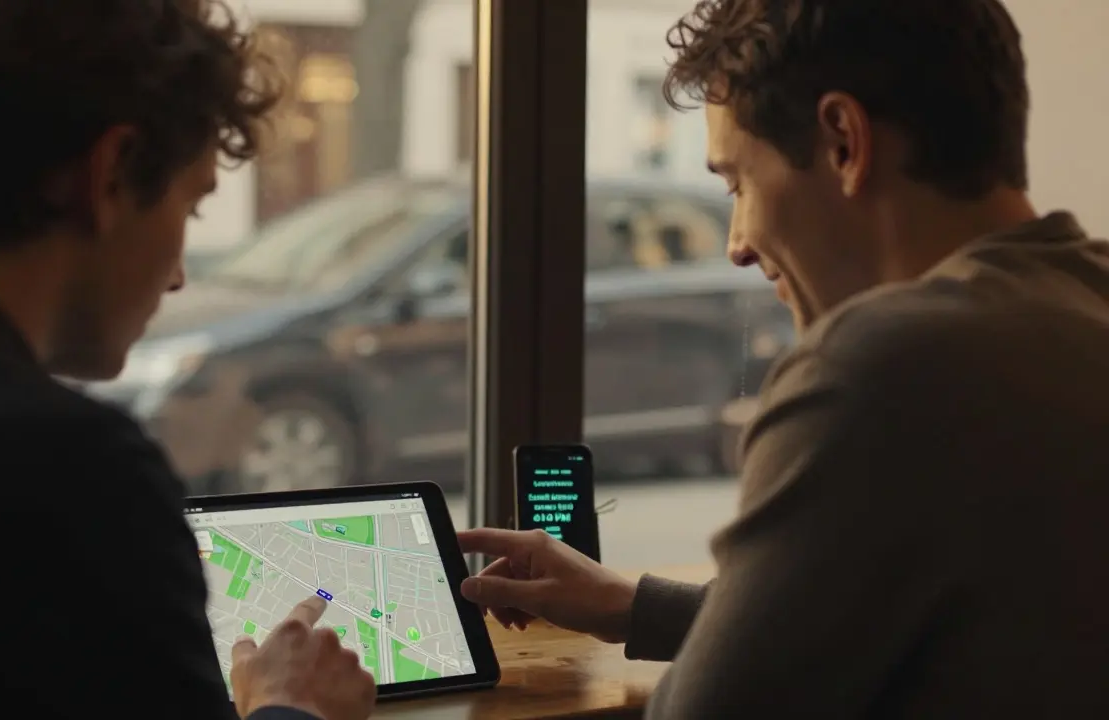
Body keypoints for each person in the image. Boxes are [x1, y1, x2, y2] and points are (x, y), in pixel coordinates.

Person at [459, 0, 1109, 717]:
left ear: (843, 142)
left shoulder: (883, 366)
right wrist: (634, 606)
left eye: (738, 183)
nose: (736, 242)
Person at [0, 2, 374, 719]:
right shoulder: (69, 474)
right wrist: (292, 707)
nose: (179, 274)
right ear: (110, 174)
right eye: (190, 205)